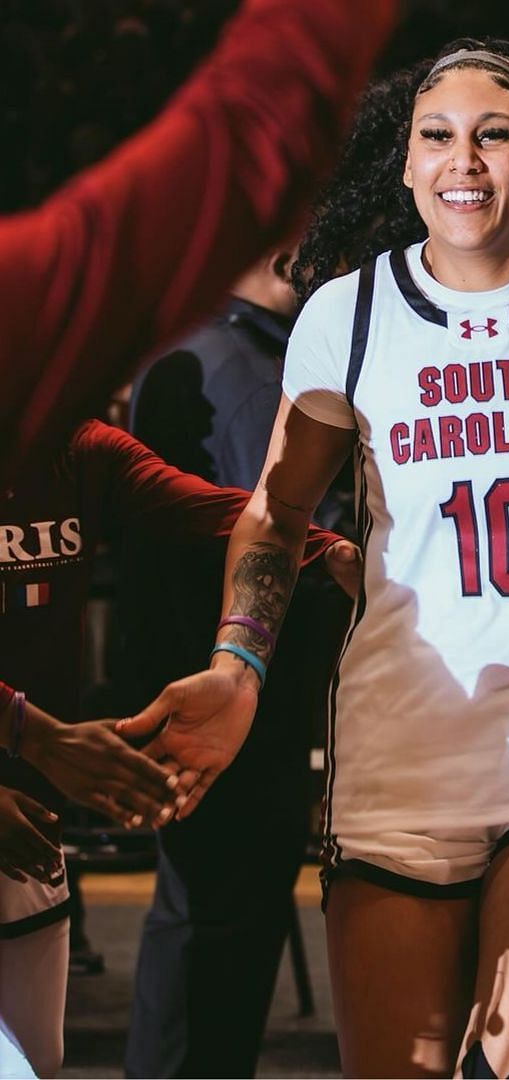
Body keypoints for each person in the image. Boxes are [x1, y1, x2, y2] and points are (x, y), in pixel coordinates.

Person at [118, 40, 509, 1075]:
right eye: (437, 138)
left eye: (493, 136)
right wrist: (240, 667)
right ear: (403, 165)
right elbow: (274, 515)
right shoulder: (346, 314)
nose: (465, 161)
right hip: (401, 744)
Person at [1, 420, 355, 1077]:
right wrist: (33, 733)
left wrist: (331, 550)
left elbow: (211, 508)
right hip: (31, 771)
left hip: (33, 813)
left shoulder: (79, 448)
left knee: (35, 1061)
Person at [118, 250, 357, 1076]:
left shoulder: (189, 349)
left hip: (190, 682)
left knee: (198, 929)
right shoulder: (257, 371)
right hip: (241, 699)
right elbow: (296, 549)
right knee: (217, 939)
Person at [0, 0, 398, 484]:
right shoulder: (254, 381)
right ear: (280, 259)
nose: (354, 274)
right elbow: (254, 137)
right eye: (342, 255)